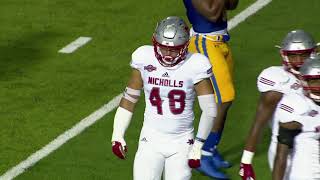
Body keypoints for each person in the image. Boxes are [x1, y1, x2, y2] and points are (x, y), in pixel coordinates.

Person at [111, 16, 218, 180]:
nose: (168, 53)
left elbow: (210, 109)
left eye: (174, 49)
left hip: (182, 142)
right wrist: (117, 135)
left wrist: (198, 145)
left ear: (185, 45)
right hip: (151, 138)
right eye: (163, 48)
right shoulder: (144, 58)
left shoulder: (195, 64)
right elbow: (129, 99)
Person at [239, 30, 317, 180]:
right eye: (293, 55)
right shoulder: (278, 80)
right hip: (286, 148)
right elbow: (259, 121)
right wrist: (246, 161)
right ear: (284, 55)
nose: (299, 60)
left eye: (304, 54)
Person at [183, 0, 239, 179]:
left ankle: (211, 148)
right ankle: (202, 153)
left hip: (220, 42)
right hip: (204, 43)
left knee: (224, 99)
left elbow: (231, 5)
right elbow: (212, 14)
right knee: (223, 98)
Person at [272, 55, 320, 180]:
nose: (318, 85)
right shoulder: (298, 106)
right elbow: (281, 156)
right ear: (304, 82)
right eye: (314, 80)